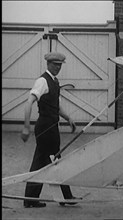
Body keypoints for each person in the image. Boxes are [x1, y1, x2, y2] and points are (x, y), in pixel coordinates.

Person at [21, 52, 78, 208]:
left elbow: (56, 105)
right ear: (48, 64)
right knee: (55, 162)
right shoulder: (42, 81)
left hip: (52, 128)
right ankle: (65, 197)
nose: (58, 68)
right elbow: (28, 103)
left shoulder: (54, 81)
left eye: (60, 65)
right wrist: (26, 127)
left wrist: (68, 118)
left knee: (42, 163)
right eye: (55, 65)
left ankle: (31, 200)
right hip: (45, 128)